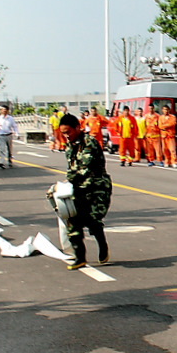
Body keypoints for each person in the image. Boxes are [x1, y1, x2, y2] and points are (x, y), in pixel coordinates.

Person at [58, 113, 113, 270]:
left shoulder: (90, 143)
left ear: (77, 128)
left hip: (97, 187)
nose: (66, 136)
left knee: (93, 220)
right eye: (63, 133)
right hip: (78, 188)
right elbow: (72, 169)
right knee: (72, 219)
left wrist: (69, 180)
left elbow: (85, 169)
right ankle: (80, 257)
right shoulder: (69, 146)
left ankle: (102, 244)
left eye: (68, 132)